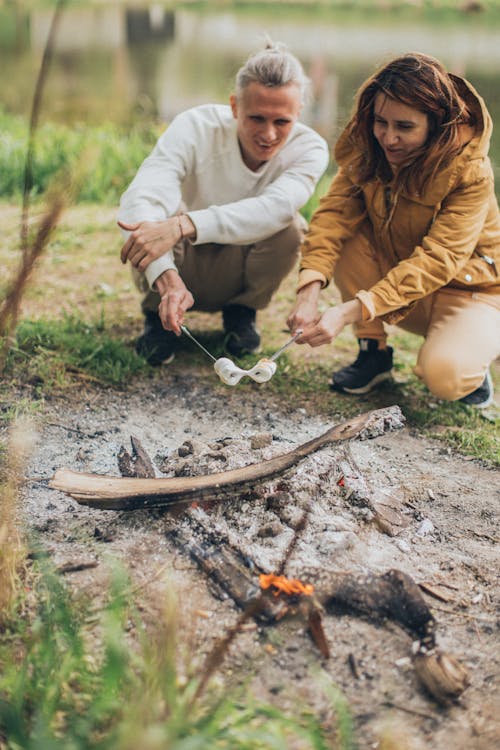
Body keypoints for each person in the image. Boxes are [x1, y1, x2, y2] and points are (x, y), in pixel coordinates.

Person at [288, 52, 500, 408]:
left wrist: (346, 312)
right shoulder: (367, 148)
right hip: (404, 282)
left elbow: (439, 259)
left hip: (471, 290)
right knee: (347, 232)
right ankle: (373, 353)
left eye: (404, 127)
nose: (388, 138)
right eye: (380, 122)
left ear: (436, 126)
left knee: (445, 377)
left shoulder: (470, 172)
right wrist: (308, 293)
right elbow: (332, 217)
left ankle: (476, 351)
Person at [118, 42, 329, 365]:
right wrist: (165, 275)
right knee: (151, 217)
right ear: (234, 106)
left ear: (299, 113)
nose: (269, 134)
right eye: (256, 118)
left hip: (238, 268)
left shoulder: (310, 149)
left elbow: (275, 208)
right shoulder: (194, 126)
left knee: (290, 226)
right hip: (177, 262)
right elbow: (141, 197)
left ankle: (241, 314)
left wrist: (182, 225)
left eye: (282, 122)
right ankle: (158, 313)